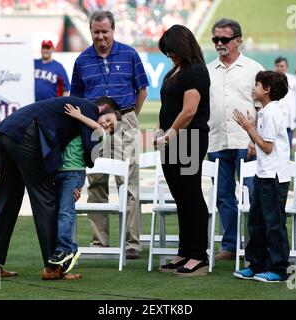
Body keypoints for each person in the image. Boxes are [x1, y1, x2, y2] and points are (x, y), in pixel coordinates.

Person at [0, 96, 119, 280]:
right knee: (46, 199)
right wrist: (75, 182)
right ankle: (54, 267)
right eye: (108, 120)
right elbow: (90, 154)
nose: (106, 126)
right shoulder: (89, 109)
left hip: (6, 131)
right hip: (27, 134)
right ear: (104, 107)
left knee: (7, 198)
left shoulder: (73, 107)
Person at [70, 10, 149, 259]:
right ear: (91, 31)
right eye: (96, 32)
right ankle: (100, 241)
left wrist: (128, 118)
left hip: (125, 121)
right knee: (97, 182)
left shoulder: (129, 54)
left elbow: (142, 90)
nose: (101, 36)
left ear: (113, 29)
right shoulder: (82, 60)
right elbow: (77, 98)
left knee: (129, 183)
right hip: (93, 126)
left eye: (105, 31)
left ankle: (132, 242)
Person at [154, 25, 210, 276]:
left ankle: (198, 255)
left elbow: (189, 111)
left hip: (189, 139)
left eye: (172, 51)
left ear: (183, 47)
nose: (169, 55)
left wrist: (169, 134)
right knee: (180, 196)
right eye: (166, 52)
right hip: (170, 140)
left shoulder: (196, 72)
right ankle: (184, 250)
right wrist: (159, 131)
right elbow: (167, 106)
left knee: (191, 195)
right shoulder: (173, 72)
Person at [207, 18, 264, 260]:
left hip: (246, 142)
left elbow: (264, 108)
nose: (220, 43)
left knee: (252, 195)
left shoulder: (254, 69)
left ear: (238, 40)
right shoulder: (207, 70)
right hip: (217, 141)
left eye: (225, 39)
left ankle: (255, 246)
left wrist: (255, 138)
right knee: (223, 196)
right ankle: (229, 246)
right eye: (216, 39)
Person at [47, 100, 122, 274]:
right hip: (58, 171)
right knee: (59, 211)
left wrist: (79, 115)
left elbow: (99, 129)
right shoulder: (81, 127)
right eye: (108, 119)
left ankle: (64, 249)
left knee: (65, 211)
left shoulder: (98, 134)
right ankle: (71, 248)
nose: (107, 125)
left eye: (111, 127)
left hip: (73, 174)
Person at [233, 70, 290, 282]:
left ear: (266, 89)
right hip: (264, 174)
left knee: (273, 223)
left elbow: (267, 147)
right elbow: (265, 146)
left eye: (257, 85)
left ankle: (279, 269)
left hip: (273, 177)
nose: (253, 88)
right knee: (256, 222)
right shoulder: (267, 111)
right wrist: (253, 139)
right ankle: (256, 264)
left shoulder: (272, 112)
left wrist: (249, 129)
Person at [274, 56, 296, 157]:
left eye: (282, 66)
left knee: (287, 147)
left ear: (286, 67)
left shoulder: (293, 79)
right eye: (278, 66)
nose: (280, 68)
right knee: (275, 148)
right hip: (275, 119)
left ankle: (286, 169)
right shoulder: (271, 79)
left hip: (289, 120)